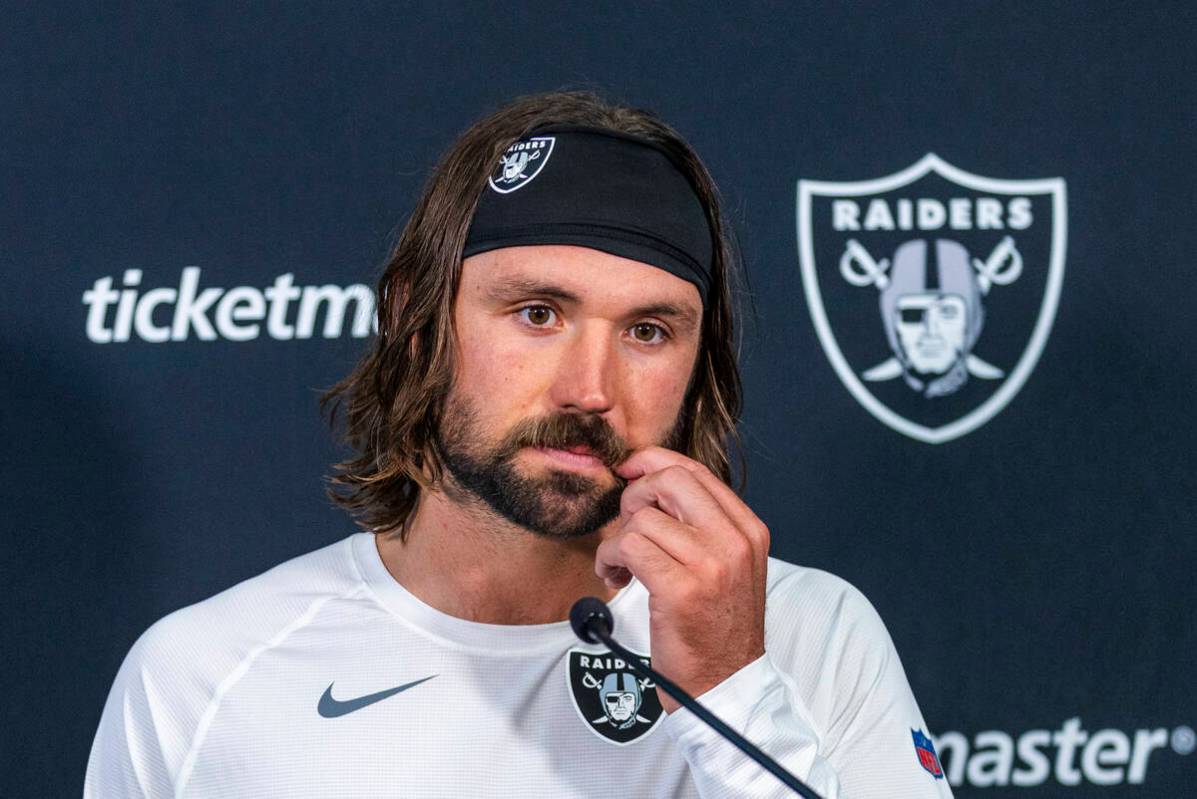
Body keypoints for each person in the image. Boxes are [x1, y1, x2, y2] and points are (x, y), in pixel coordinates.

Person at [84, 91, 954, 798]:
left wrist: (731, 689)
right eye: (538, 313)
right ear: (414, 322)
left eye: (649, 331)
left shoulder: (808, 635)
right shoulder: (204, 676)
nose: (592, 386)